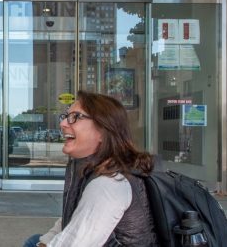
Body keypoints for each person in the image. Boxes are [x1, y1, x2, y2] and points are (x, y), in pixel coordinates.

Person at [22, 91, 158, 247]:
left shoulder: (109, 185)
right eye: (66, 116)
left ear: (103, 130)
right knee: (35, 240)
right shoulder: (94, 168)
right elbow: (73, 217)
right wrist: (43, 243)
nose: (63, 123)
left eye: (75, 117)